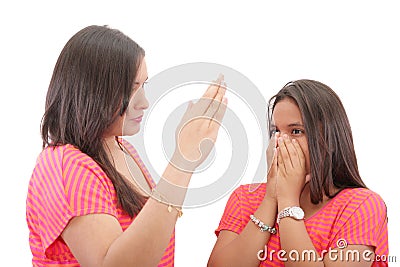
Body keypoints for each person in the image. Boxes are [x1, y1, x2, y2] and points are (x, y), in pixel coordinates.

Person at [26, 25, 227, 266]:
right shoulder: (64, 165)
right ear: (95, 91)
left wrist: (187, 160)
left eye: (144, 86)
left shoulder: (121, 147)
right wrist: (182, 161)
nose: (144, 102)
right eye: (132, 89)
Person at [208, 79, 388, 266]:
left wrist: (288, 202)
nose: (281, 141)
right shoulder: (245, 198)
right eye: (275, 131)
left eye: (296, 131)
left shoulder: (361, 205)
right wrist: (271, 198)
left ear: (329, 138)